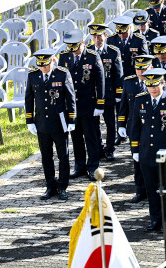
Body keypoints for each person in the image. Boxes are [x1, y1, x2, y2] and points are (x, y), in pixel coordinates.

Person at [131, 68, 166, 232]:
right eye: (149, 86)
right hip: (147, 153)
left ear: (163, 83)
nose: (153, 89)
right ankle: (155, 219)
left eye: (156, 85)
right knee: (152, 189)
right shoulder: (140, 100)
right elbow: (135, 127)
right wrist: (135, 149)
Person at [25, 49, 76, 201]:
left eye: (46, 65)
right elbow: (29, 99)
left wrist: (72, 120)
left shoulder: (62, 73)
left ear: (52, 61)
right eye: (41, 66)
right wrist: (29, 120)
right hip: (42, 123)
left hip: (59, 122)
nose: (43, 68)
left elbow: (70, 97)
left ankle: (62, 186)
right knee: (46, 157)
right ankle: (50, 186)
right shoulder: (32, 75)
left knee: (63, 156)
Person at [59, 30, 105, 179]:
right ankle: (80, 166)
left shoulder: (92, 56)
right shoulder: (64, 56)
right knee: (76, 138)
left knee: (90, 137)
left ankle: (93, 166)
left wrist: (100, 103)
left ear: (82, 43)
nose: (74, 52)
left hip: (88, 104)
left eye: (76, 48)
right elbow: (60, 81)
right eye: (71, 48)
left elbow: (100, 80)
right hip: (71, 106)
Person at [118, 55, 154, 204]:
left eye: (144, 68)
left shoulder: (155, 82)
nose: (141, 71)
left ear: (150, 68)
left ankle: (154, 189)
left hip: (151, 127)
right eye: (138, 68)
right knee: (137, 160)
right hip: (134, 127)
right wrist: (121, 124)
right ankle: (140, 190)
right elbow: (123, 106)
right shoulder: (129, 82)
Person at [87, 24, 123, 161]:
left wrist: (118, 94)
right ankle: (98, 147)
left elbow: (119, 75)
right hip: (92, 94)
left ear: (105, 36)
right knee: (94, 123)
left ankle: (109, 149)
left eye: (100, 36)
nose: (97, 40)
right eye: (94, 37)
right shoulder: (88, 51)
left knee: (109, 123)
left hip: (108, 93)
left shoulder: (113, 52)